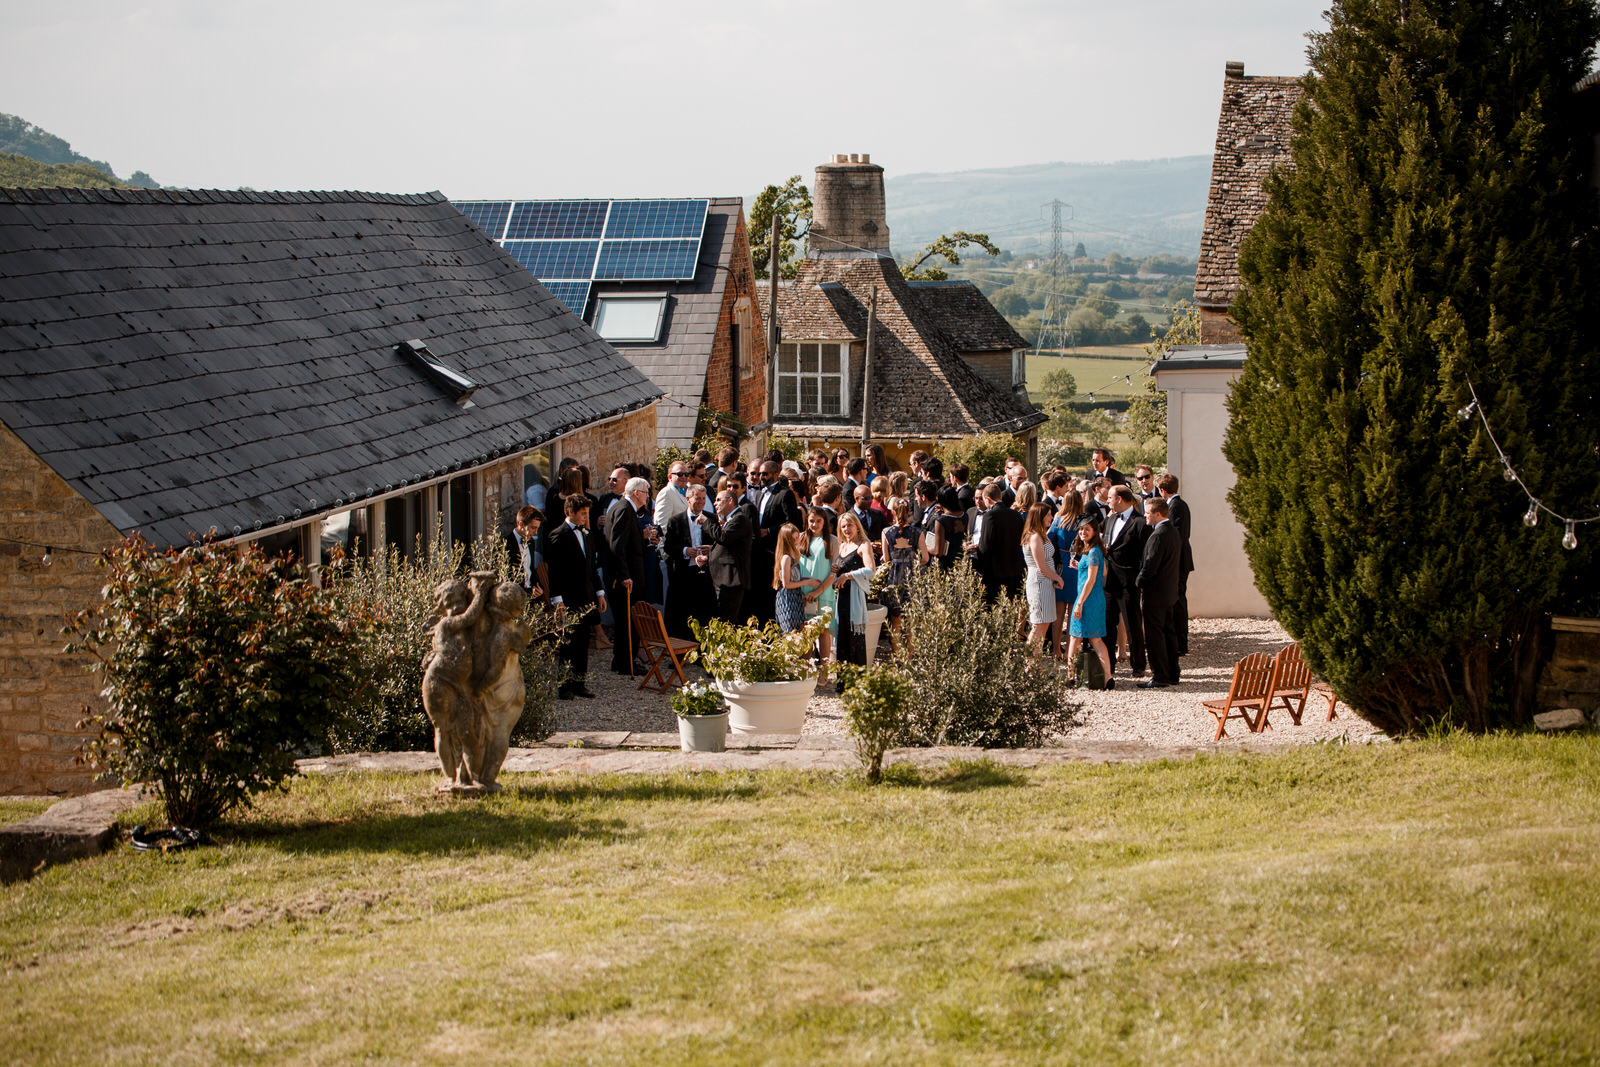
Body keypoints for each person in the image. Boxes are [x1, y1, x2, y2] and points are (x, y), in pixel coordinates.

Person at [546, 495, 607, 699]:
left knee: (582, 643)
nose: (585, 517)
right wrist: (558, 600)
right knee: (567, 644)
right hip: (568, 598)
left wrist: (599, 593)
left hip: (587, 597)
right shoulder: (558, 535)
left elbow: (591, 567)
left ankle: (580, 683)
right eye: (582, 514)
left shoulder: (587, 534)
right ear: (570, 512)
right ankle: (564, 687)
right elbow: (554, 572)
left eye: (587, 514)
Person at [605, 477, 651, 674]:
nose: (648, 497)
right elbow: (617, 545)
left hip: (630, 573)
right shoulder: (624, 510)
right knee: (627, 621)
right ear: (636, 493)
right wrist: (624, 575)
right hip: (626, 577)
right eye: (646, 492)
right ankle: (626, 663)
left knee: (626, 620)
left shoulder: (625, 508)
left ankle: (621, 660)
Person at [1103, 485, 1149, 679]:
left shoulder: (1140, 522)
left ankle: (1138, 665)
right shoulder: (1109, 519)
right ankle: (1108, 665)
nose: (1108, 501)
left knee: (1133, 625)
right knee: (1107, 623)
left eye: (1110, 497)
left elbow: (1145, 554)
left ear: (1120, 499)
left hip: (1129, 581)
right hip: (1109, 581)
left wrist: (1140, 579)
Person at [1137, 496, 1183, 688]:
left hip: (1155, 593)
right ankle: (1172, 672)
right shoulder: (1172, 531)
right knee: (1168, 633)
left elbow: (1151, 565)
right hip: (1169, 592)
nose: (1145, 516)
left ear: (1157, 514)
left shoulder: (1158, 535)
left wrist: (1139, 581)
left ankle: (1160, 675)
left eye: (1147, 513)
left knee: (1155, 635)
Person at [750, 460, 803, 625]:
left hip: (776, 550)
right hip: (760, 552)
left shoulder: (785, 494)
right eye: (759, 474)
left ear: (775, 474)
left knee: (773, 593)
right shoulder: (760, 493)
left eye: (765, 474)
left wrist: (769, 531)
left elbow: (793, 523)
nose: (761, 477)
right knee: (761, 594)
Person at [664, 483, 718, 638]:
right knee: (682, 613)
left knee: (704, 613)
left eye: (703, 499)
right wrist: (685, 551)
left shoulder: (711, 518)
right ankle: (681, 651)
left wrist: (710, 551)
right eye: (697, 498)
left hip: (706, 574)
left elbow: (720, 543)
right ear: (688, 499)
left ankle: (702, 653)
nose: (701, 502)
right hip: (684, 573)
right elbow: (668, 546)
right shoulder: (676, 521)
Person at [1066, 519, 1113, 687]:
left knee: (1075, 637)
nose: (1082, 532)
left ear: (1094, 531)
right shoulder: (1094, 550)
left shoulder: (1092, 551)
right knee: (1096, 639)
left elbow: (1092, 579)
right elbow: (1104, 572)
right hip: (1095, 598)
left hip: (1087, 599)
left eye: (1087, 529)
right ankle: (1108, 677)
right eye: (1081, 529)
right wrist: (1080, 567)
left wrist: (1079, 603)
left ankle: (1070, 676)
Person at [832, 511, 878, 668]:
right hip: (841, 598)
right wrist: (834, 570)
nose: (846, 529)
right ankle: (843, 683)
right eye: (843, 526)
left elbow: (871, 571)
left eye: (849, 525)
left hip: (855, 598)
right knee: (842, 637)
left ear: (857, 526)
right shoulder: (842, 546)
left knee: (854, 637)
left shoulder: (863, 545)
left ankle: (857, 683)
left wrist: (848, 575)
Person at [1157, 473, 1195, 657]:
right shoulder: (1180, 505)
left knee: (1179, 600)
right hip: (1180, 558)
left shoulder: (1176, 506)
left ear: (1163, 490)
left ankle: (1180, 642)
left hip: (1179, 560)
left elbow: (1176, 536)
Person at [799, 506, 837, 684]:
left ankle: (824, 672)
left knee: (823, 632)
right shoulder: (800, 538)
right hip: (804, 592)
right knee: (806, 631)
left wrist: (818, 591)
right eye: (811, 521)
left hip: (824, 591)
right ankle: (806, 671)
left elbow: (834, 572)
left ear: (824, 522)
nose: (814, 524)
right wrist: (801, 590)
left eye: (818, 521)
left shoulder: (832, 541)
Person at [968, 482, 1025, 602]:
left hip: (994, 571)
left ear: (987, 499)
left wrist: (979, 568)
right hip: (1014, 569)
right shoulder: (1016, 515)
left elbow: (985, 544)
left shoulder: (990, 516)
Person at [1022, 503, 1064, 656]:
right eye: (1048, 515)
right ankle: (1030, 666)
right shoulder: (1034, 537)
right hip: (1039, 583)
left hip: (1046, 582)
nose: (1051, 518)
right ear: (1039, 517)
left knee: (1044, 625)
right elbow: (1041, 566)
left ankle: (1035, 665)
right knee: (1038, 626)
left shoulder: (1041, 534)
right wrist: (1058, 577)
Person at [1048, 490, 1085, 658]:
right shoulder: (1083, 522)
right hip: (1077, 566)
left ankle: (1056, 649)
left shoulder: (1058, 521)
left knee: (1058, 612)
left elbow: (1049, 540)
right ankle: (1071, 649)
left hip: (1062, 566)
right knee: (1074, 612)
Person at [707, 487, 752, 624]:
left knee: (727, 620)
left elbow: (724, 538)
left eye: (719, 500)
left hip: (731, 578)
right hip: (722, 579)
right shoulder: (729, 519)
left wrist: (705, 522)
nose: (715, 503)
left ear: (730, 501)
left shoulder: (740, 519)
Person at [879, 496, 917, 653]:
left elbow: (886, 559)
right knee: (911, 621)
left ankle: (897, 657)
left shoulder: (887, 532)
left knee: (896, 621)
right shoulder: (917, 532)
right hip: (911, 577)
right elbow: (926, 558)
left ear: (893, 512)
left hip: (895, 577)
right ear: (909, 512)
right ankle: (909, 657)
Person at [773, 524, 818, 633]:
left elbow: (794, 578)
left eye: (797, 537)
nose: (796, 541)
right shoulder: (786, 558)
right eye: (792, 539)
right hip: (787, 598)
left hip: (795, 596)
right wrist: (807, 582)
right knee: (791, 632)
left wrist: (808, 579)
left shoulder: (794, 555)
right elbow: (786, 584)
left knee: (799, 630)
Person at [502, 505, 546, 603]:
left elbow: (530, 570)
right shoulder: (505, 544)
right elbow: (506, 579)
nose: (535, 532)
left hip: (532, 600)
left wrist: (539, 589)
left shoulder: (531, 542)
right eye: (533, 528)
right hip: (514, 601)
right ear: (521, 524)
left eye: (537, 528)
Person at [921, 486, 967, 570]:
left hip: (944, 565)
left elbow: (938, 552)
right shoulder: (964, 515)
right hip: (960, 560)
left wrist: (924, 546)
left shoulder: (941, 521)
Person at [654, 460, 691, 528]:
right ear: (670, 477)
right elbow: (662, 524)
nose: (683, 477)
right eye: (679, 474)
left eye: (686, 474)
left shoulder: (686, 492)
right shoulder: (666, 493)